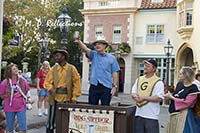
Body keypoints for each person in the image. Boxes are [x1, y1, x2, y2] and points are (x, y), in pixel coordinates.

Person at [43, 47, 81, 133]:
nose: (55, 57)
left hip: (67, 98)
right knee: (50, 120)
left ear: (63, 57)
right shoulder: (53, 69)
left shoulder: (72, 69)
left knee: (65, 120)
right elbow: (47, 82)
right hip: (54, 97)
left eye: (57, 56)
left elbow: (77, 83)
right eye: (55, 56)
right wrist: (50, 88)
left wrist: (74, 97)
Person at [75, 36, 120, 105]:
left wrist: (115, 87)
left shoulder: (112, 58)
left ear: (104, 45)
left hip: (106, 86)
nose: (97, 46)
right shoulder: (94, 54)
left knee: (105, 108)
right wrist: (79, 41)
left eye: (99, 44)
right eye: (96, 44)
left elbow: (115, 73)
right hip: (94, 85)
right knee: (92, 107)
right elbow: (85, 49)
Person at [131, 59, 164, 133]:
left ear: (154, 69)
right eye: (145, 65)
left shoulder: (158, 82)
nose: (145, 67)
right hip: (139, 113)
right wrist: (135, 97)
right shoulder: (139, 79)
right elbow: (133, 92)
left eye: (148, 66)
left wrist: (144, 97)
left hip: (151, 115)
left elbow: (159, 98)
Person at [164, 66, 200, 133]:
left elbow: (187, 103)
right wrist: (169, 96)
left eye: (181, 73)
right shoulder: (179, 84)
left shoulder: (193, 88)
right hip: (174, 113)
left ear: (186, 75)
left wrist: (172, 97)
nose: (179, 75)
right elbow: (176, 96)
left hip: (185, 115)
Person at [0, 63, 34, 133]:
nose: (16, 70)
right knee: (9, 128)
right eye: (14, 69)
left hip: (21, 106)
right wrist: (9, 97)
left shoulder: (22, 80)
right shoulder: (5, 82)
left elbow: (27, 90)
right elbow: (1, 95)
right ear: (9, 71)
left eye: (16, 68)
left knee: (23, 127)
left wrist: (29, 99)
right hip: (9, 107)